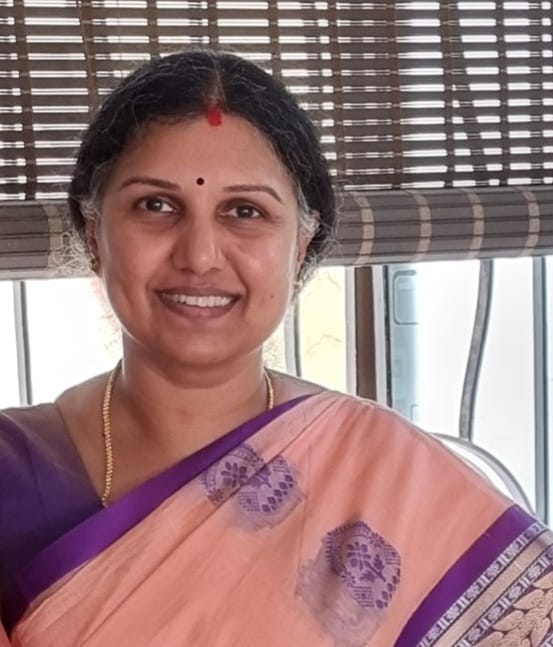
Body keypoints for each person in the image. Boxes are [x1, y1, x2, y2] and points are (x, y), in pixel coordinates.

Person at [0, 49, 552, 647]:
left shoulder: (386, 473)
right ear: (94, 233)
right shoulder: (13, 471)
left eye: (245, 211)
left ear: (300, 245)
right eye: (156, 205)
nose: (200, 256)